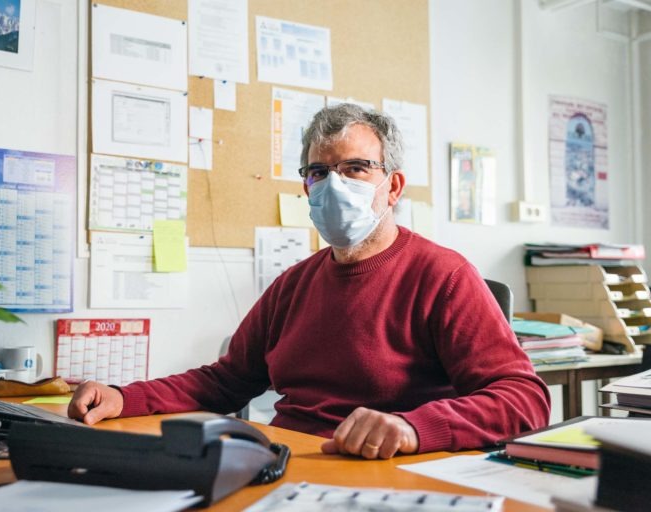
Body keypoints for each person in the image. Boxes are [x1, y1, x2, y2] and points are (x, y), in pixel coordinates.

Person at [69, 103, 551, 460]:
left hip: (383, 474)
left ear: (394, 186)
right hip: (287, 461)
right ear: (305, 186)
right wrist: (124, 397)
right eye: (319, 172)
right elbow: (227, 380)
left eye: (355, 168)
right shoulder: (293, 285)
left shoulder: (443, 276)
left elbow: (524, 400)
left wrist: (413, 428)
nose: (334, 184)